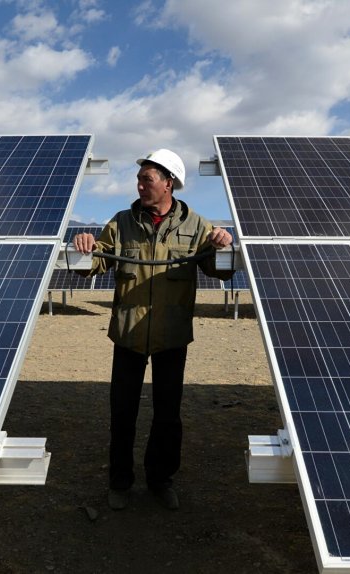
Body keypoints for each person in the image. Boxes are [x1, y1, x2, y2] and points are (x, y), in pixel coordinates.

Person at [73, 148, 234, 511]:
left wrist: (223, 246)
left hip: (172, 337)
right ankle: (120, 483)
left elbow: (219, 271)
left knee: (167, 415)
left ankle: (161, 480)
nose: (140, 186)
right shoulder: (121, 222)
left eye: (147, 179)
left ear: (169, 183)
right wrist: (83, 248)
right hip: (128, 335)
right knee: (122, 412)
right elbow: (94, 264)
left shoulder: (198, 226)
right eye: (139, 179)